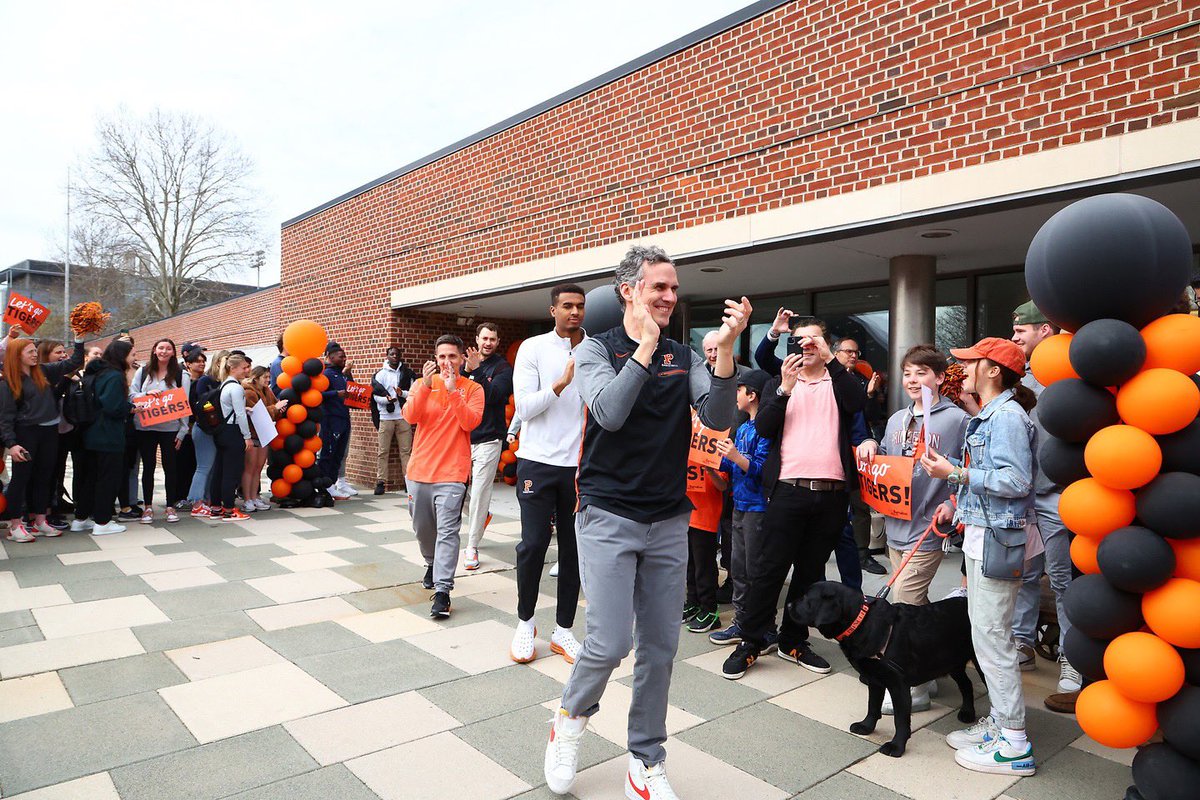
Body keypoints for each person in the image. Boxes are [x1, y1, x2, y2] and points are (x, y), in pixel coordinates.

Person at [543, 244, 747, 800]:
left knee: (660, 647)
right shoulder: (594, 351)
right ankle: (570, 719)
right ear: (629, 291)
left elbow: (720, 416)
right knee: (609, 644)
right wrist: (644, 350)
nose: (670, 297)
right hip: (608, 515)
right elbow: (607, 411)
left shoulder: (685, 355)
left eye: (675, 289)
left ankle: (646, 757)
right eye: (660, 287)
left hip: (668, 520)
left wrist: (724, 354)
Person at [722, 317, 867, 681]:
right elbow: (765, 427)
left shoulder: (840, 382)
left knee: (810, 573)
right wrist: (785, 389)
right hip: (788, 490)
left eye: (813, 340)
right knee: (768, 571)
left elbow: (857, 401)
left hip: (832, 495)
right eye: (799, 340)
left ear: (826, 345)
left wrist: (832, 359)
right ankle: (752, 640)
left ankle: (793, 639)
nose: (805, 346)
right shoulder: (778, 383)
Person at [922, 337, 1040, 777]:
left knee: (993, 640)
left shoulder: (1006, 416)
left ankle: (1013, 742)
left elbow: (1016, 481)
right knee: (987, 635)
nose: (962, 368)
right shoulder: (993, 414)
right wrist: (955, 485)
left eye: (971, 362)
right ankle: (1003, 727)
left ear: (993, 370)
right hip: (986, 537)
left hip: (997, 539)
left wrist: (955, 472)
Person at [856, 345, 969, 713]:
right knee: (914, 603)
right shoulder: (896, 420)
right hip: (896, 524)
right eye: (907, 373)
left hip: (928, 528)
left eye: (921, 372)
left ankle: (912, 687)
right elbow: (888, 457)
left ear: (938, 378)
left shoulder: (956, 420)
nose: (913, 380)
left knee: (903, 603)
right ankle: (933, 668)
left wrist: (953, 504)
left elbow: (967, 468)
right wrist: (871, 443)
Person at [509, 284, 586, 665]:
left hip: (578, 467)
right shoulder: (533, 347)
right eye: (567, 306)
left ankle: (564, 630)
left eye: (580, 307)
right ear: (552, 309)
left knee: (574, 551)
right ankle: (525, 623)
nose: (575, 312)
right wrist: (560, 384)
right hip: (537, 462)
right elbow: (523, 407)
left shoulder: (594, 348)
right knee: (534, 545)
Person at [1010, 300, 1081, 697]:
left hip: (1058, 497)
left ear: (1045, 331)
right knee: (1021, 576)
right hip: (1020, 496)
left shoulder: (1071, 377)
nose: (1014, 337)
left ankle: (1072, 657)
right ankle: (1022, 642)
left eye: (1021, 331)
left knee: (1063, 580)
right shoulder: (1018, 377)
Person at [402, 334, 484, 618]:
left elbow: (470, 422)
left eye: (452, 356)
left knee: (448, 532)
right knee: (423, 529)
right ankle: (431, 562)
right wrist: (426, 387)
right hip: (419, 472)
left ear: (462, 358)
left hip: (452, 474)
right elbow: (410, 417)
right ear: (435, 360)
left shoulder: (473, 389)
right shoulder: (421, 384)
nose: (447, 362)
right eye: (442, 357)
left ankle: (443, 591)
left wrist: (452, 392)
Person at [709, 369, 773, 647]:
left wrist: (734, 455)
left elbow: (761, 470)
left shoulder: (765, 430)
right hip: (739, 505)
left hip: (758, 509)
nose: (735, 395)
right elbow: (730, 465)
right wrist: (711, 461)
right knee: (738, 568)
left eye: (739, 389)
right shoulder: (744, 427)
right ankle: (743, 623)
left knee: (755, 570)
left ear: (752, 395)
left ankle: (764, 629)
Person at [0, 333, 85, 542]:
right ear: (16, 355)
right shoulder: (7, 382)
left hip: (50, 431)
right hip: (26, 432)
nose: (35, 355)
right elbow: (5, 417)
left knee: (45, 477)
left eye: (35, 351)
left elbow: (75, 362)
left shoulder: (44, 371)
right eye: (30, 352)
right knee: (22, 479)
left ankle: (40, 520)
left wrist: (79, 340)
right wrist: (11, 444)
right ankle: (15, 525)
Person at [461, 322, 513, 570]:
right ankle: (481, 517)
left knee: (480, 493)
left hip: (490, 439)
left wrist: (476, 370)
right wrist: (467, 371)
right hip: (462, 439)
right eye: (484, 338)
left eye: (492, 339)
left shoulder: (503, 368)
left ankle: (472, 546)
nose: (488, 343)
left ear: (497, 342)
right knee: (457, 491)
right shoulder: (464, 366)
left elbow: (493, 395)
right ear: (477, 339)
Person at [833, 337, 887, 576]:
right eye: (848, 352)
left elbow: (872, 416)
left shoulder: (862, 380)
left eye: (856, 352)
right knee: (832, 506)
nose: (853, 356)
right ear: (835, 353)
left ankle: (862, 553)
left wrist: (872, 395)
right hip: (834, 453)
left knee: (860, 504)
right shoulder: (826, 378)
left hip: (860, 453)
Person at [78, 339, 136, 536]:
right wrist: (131, 407)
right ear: (122, 356)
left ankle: (81, 518)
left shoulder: (98, 372)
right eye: (132, 354)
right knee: (107, 479)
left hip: (91, 433)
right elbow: (113, 406)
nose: (134, 358)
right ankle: (102, 522)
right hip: (108, 435)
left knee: (91, 478)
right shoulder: (114, 376)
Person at [130, 338, 188, 524]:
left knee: (170, 467)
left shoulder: (181, 374)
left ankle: (170, 506)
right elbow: (131, 395)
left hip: (170, 428)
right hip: (145, 427)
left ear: (173, 352)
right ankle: (148, 507)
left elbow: (184, 404)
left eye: (168, 348)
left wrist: (182, 431)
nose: (164, 351)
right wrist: (146, 394)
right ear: (154, 350)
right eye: (160, 348)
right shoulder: (143, 371)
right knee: (148, 467)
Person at [682, 463, 728, 634]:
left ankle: (709, 609)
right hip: (684, 512)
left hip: (705, 515)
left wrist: (709, 470)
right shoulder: (683, 441)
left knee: (704, 565)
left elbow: (722, 485)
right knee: (690, 563)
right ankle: (693, 602)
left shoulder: (713, 444)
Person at [64, 346, 105, 532]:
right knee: (81, 471)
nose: (99, 357)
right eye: (95, 354)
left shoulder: (98, 378)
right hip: (77, 431)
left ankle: (87, 509)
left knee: (92, 471)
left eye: (101, 355)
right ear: (86, 357)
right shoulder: (75, 379)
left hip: (92, 430)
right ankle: (80, 509)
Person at [210, 354, 253, 522]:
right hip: (233, 432)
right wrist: (247, 436)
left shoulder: (224, 385)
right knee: (231, 471)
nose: (247, 370)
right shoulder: (236, 388)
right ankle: (229, 509)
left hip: (222, 431)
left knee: (219, 470)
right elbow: (240, 414)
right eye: (244, 367)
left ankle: (216, 507)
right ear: (233, 368)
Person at [372, 346, 416, 495]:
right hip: (385, 417)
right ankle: (380, 482)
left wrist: (401, 393)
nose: (395, 356)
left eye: (397, 354)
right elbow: (375, 396)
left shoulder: (407, 373)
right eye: (392, 354)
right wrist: (387, 399)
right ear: (387, 356)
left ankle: (408, 481)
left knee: (406, 451)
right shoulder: (380, 375)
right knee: (383, 451)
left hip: (403, 416)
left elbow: (413, 394)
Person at [241, 366, 285, 512]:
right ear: (256, 377)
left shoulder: (267, 390)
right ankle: (247, 499)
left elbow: (273, 407)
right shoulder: (248, 391)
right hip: (252, 434)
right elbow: (254, 413)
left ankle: (255, 497)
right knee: (250, 468)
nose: (268, 380)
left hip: (263, 433)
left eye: (269, 377)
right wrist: (275, 408)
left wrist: (279, 409)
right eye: (265, 377)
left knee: (258, 468)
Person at [188, 349, 224, 517]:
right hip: (204, 428)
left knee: (211, 467)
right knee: (204, 467)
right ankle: (196, 503)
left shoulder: (223, 382)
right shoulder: (205, 381)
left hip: (216, 429)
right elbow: (201, 404)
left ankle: (207, 501)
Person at [319, 342, 353, 497]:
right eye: (341, 356)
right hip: (331, 419)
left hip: (344, 417)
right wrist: (335, 394)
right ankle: (324, 484)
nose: (344, 358)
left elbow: (352, 390)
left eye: (345, 356)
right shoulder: (325, 375)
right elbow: (318, 396)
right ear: (330, 357)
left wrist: (348, 372)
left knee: (339, 454)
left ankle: (332, 484)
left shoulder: (341, 373)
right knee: (329, 452)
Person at [174, 342, 205, 509]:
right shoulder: (181, 380)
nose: (201, 363)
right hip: (185, 429)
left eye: (203, 360)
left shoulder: (206, 381)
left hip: (201, 430)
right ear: (188, 362)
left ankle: (195, 496)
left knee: (196, 463)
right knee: (182, 464)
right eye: (197, 360)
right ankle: (178, 496)